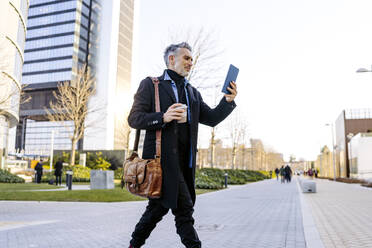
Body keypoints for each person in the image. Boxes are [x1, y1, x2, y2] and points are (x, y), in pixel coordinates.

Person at [127, 42, 237, 248]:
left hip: (185, 164)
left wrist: (228, 100)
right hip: (161, 163)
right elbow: (134, 118)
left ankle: (134, 244)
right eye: (186, 58)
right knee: (184, 210)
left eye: (191, 59)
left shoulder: (192, 92)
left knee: (156, 210)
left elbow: (211, 118)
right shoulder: (151, 85)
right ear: (171, 59)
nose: (190, 63)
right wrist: (163, 117)